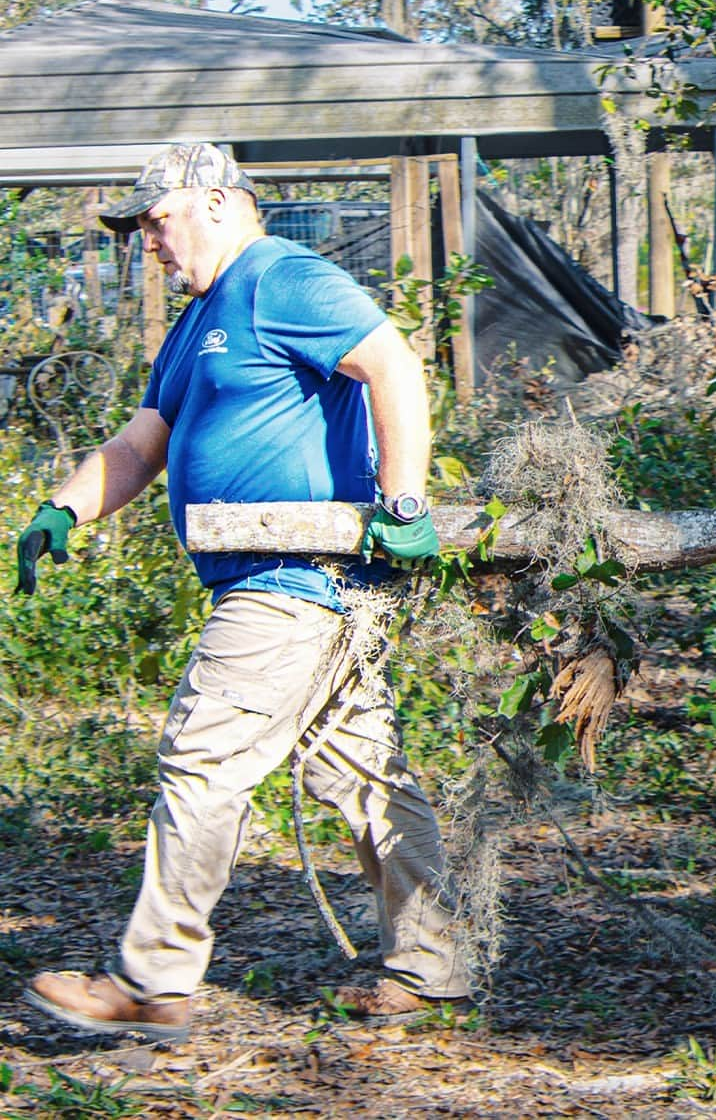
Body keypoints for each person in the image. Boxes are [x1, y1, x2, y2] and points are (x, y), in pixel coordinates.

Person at [16, 143, 470, 1043]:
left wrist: (406, 498)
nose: (148, 239)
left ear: (218, 202)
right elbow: (144, 440)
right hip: (301, 590)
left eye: (157, 218)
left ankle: (153, 983)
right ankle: (435, 962)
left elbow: (394, 364)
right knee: (362, 773)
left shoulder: (280, 278)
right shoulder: (195, 325)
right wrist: (62, 511)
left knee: (202, 757)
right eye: (139, 226)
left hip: (292, 580)